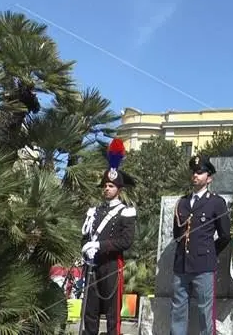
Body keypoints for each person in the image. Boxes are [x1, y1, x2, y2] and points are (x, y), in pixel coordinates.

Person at [80, 138, 137, 335]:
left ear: (119, 190)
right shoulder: (93, 211)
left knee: (113, 314)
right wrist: (86, 248)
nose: (107, 189)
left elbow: (126, 241)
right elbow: (86, 236)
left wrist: (100, 246)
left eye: (111, 186)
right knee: (90, 310)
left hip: (112, 264)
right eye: (105, 185)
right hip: (92, 264)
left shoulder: (126, 211)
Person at [170, 154, 231, 335]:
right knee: (178, 311)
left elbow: (225, 235)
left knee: (205, 312)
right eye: (194, 172)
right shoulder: (182, 202)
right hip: (181, 265)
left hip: (204, 265)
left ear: (209, 178)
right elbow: (177, 234)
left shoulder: (216, 203)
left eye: (200, 172)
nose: (195, 175)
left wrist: (210, 252)